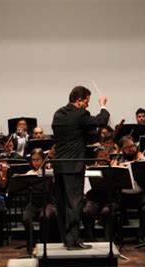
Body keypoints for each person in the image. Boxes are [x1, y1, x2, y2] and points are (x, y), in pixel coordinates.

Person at [51, 85, 109, 250]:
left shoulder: (58, 114)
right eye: (86, 102)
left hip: (59, 166)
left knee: (62, 205)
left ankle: (66, 239)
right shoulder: (80, 114)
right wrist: (103, 105)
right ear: (79, 100)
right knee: (75, 204)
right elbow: (101, 121)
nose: (87, 105)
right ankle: (74, 241)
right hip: (74, 165)